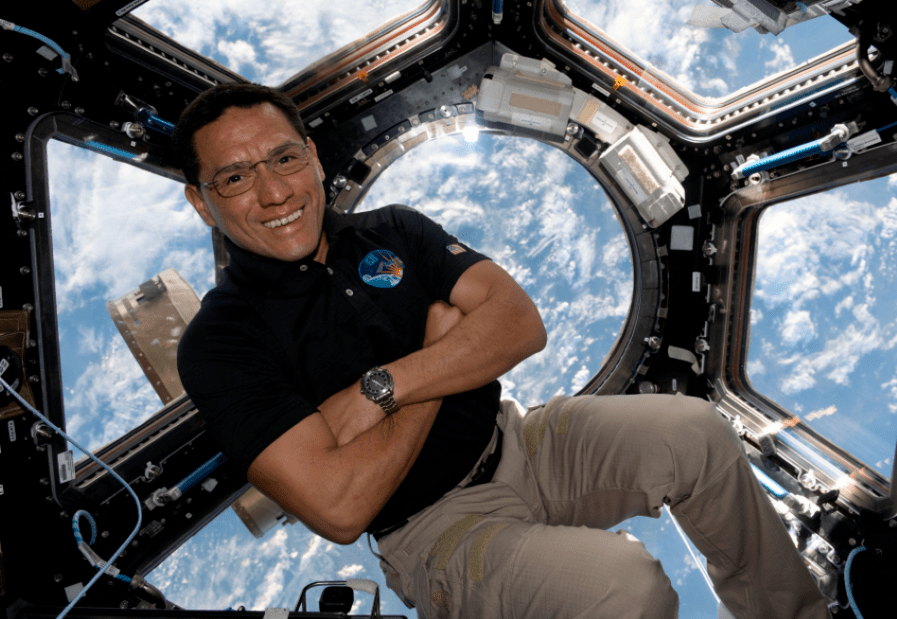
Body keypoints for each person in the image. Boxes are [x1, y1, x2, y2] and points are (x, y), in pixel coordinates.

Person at [174, 82, 831, 619]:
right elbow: (340, 506)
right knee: (625, 585)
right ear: (202, 204)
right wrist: (442, 354)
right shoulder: (221, 342)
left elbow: (517, 323)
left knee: (693, 431)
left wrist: (383, 386)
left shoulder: (394, 227)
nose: (274, 191)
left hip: (521, 439)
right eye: (234, 177)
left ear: (313, 157)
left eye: (284, 158)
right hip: (432, 529)